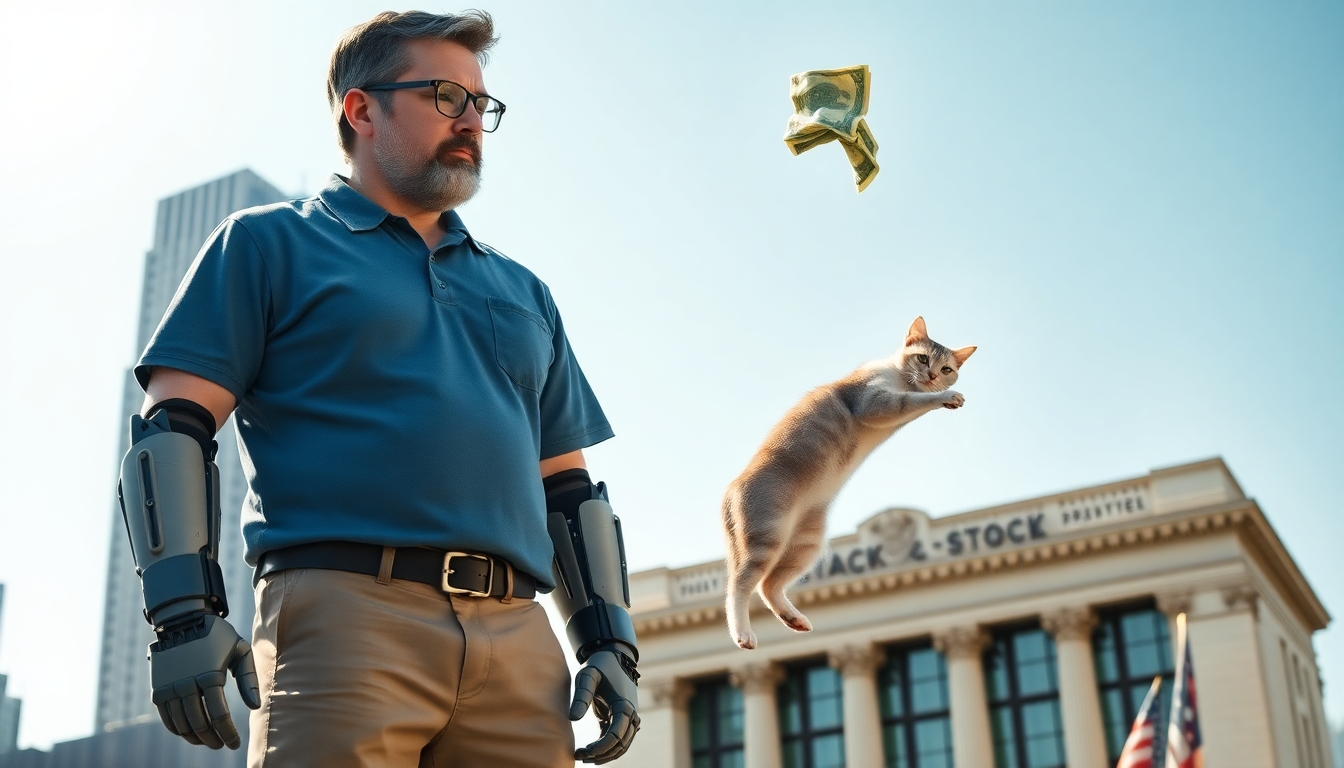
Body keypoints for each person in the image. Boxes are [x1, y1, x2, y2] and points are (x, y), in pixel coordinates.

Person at [114, 10, 640, 767]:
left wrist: (609, 641)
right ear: (362, 109)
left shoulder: (526, 290)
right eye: (446, 98)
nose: (472, 123)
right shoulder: (266, 243)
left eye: (481, 105)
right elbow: (172, 426)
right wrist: (182, 615)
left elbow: (569, 489)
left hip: (519, 643)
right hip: (343, 618)